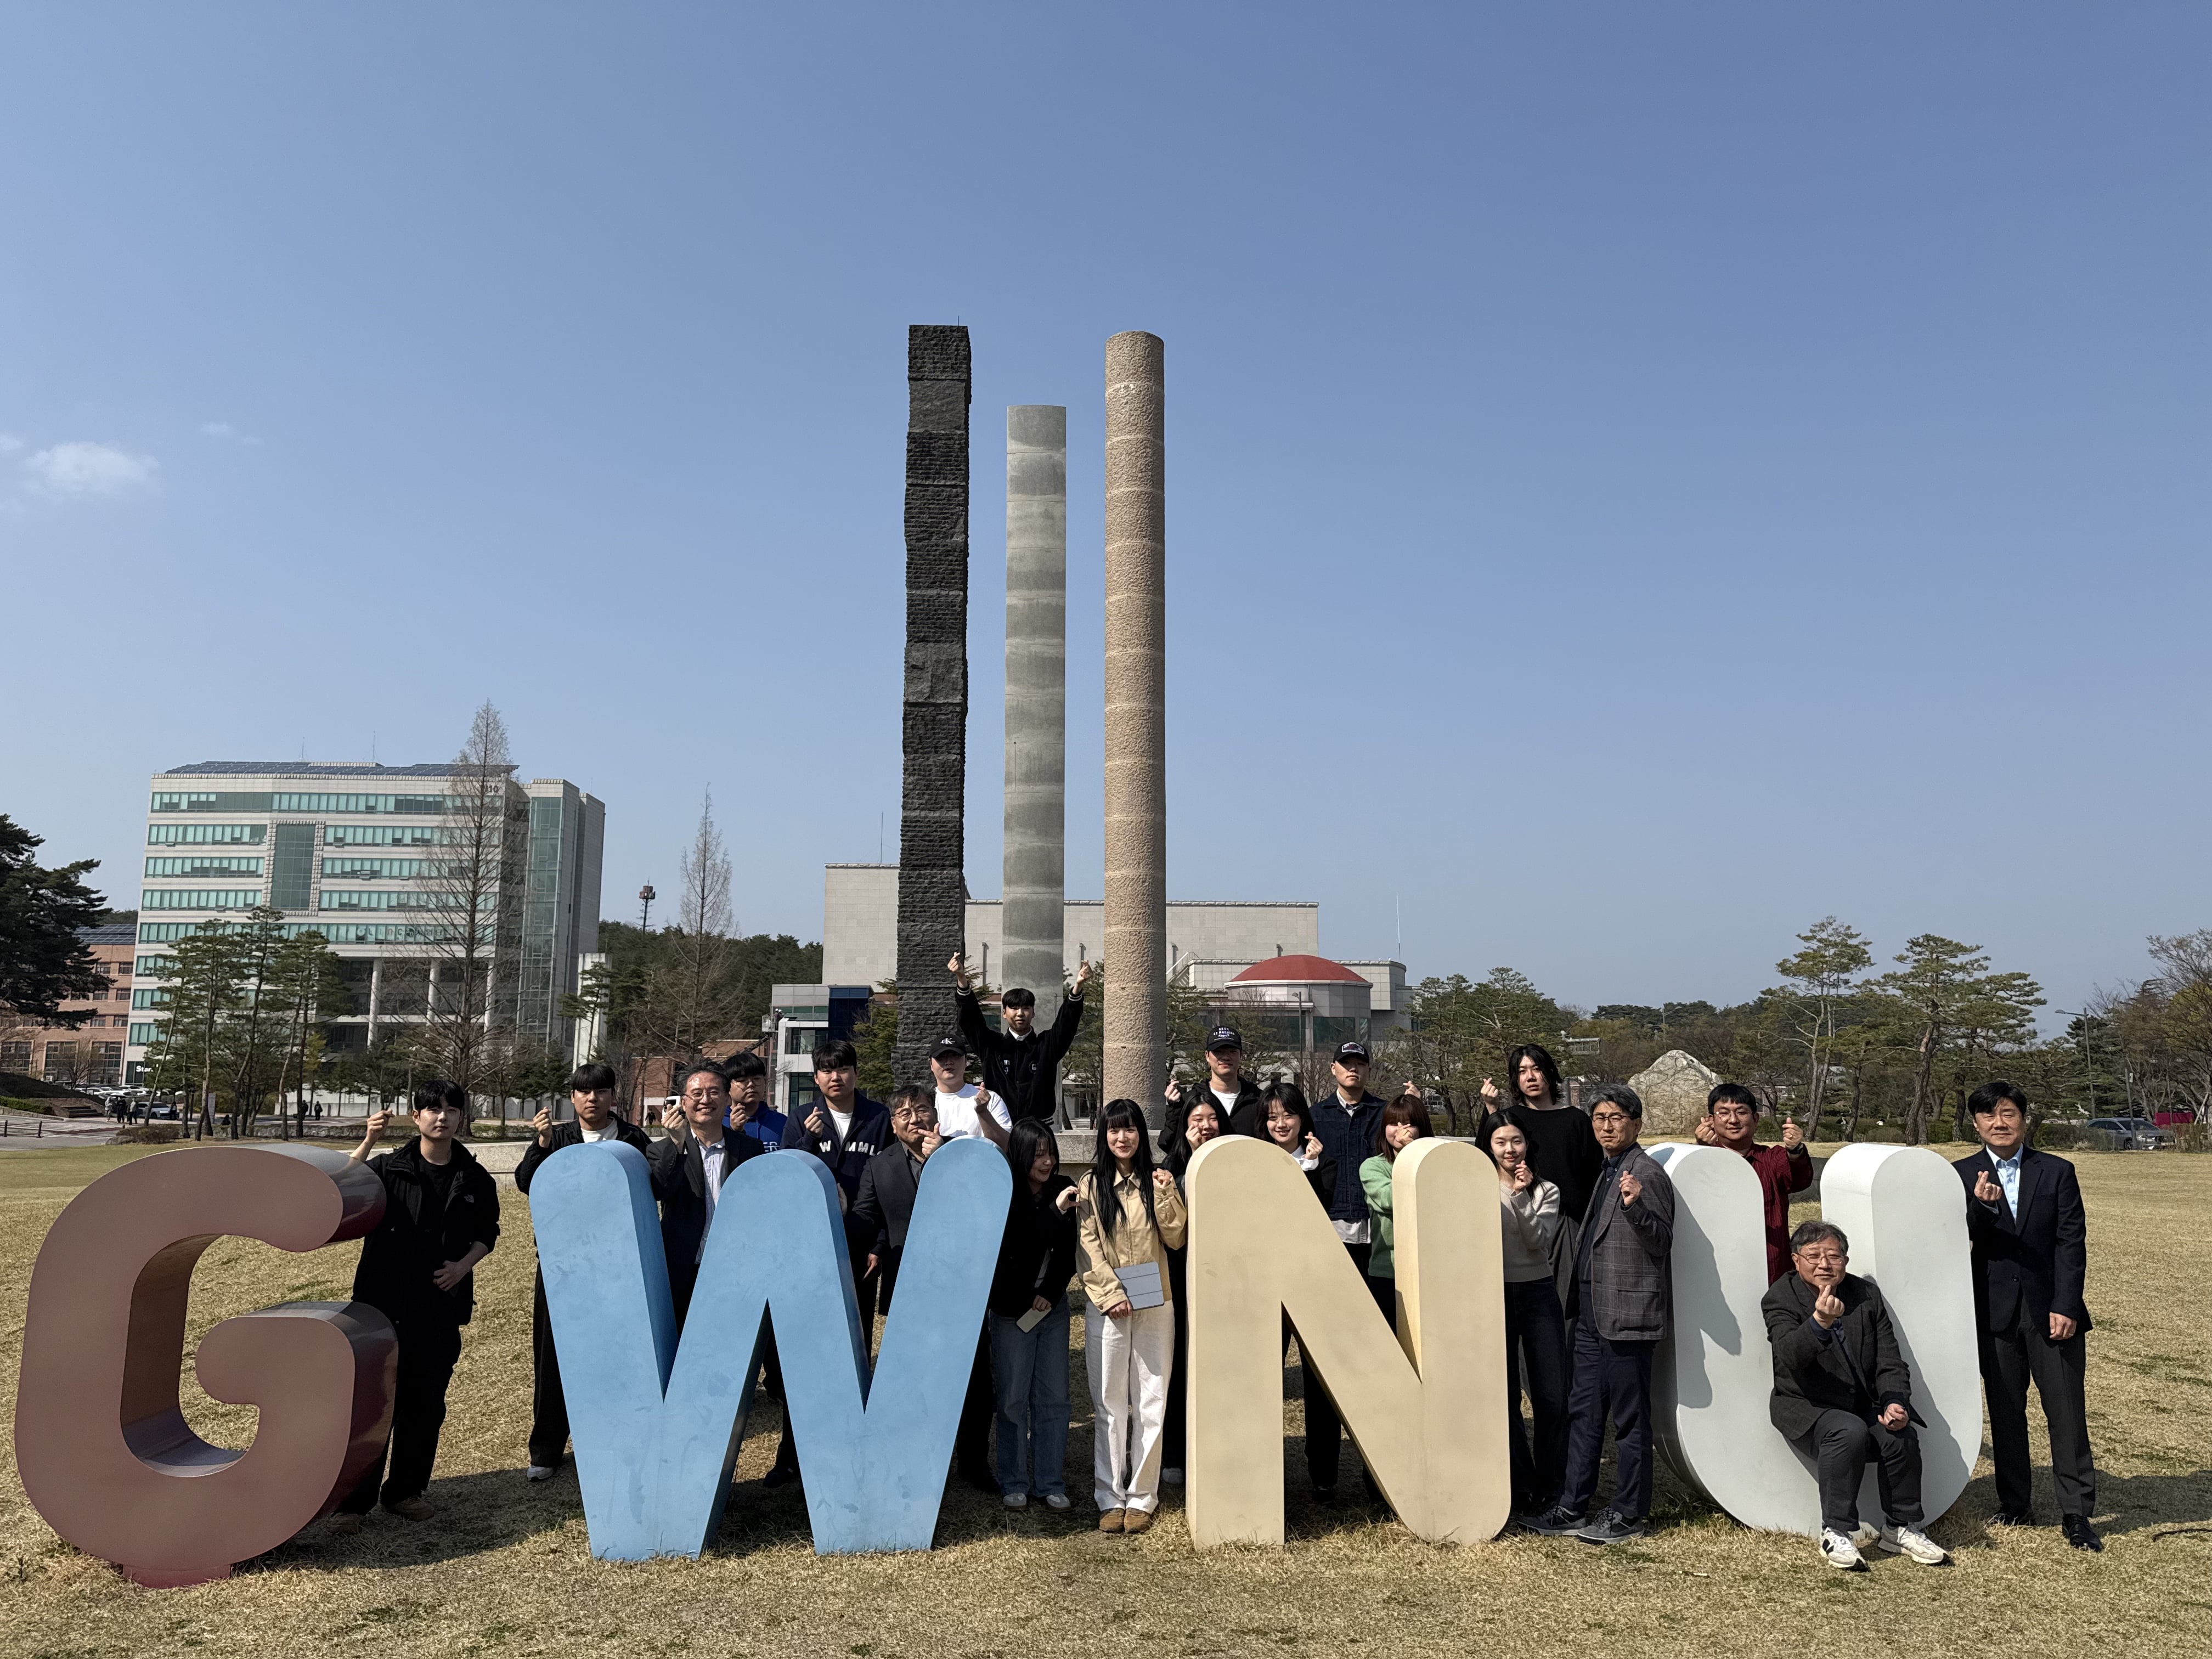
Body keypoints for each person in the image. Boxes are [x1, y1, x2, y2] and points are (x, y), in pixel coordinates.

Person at [335, 1080, 499, 1525]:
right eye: (432, 1109)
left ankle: (405, 1492)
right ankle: (353, 1503)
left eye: (451, 1110)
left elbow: (488, 1233)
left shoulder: (475, 1177)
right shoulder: (387, 1168)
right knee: (373, 1406)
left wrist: (462, 1267)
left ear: (461, 1117)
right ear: (416, 1116)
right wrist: (368, 1141)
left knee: (425, 1404)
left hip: (439, 1308)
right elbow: (341, 1187)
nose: (442, 1117)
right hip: (382, 1305)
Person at [1955, 1080, 2100, 1550]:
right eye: (1989, 1115)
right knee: (2006, 1411)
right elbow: (1957, 1239)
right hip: (1993, 1312)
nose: (1999, 1123)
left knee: (2066, 1411)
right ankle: (2016, 1503)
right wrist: (1981, 1207)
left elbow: (2070, 1242)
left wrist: (2067, 1304)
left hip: (2050, 1310)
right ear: (1975, 1123)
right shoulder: (1959, 1174)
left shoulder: (2056, 1171)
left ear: (2023, 1118)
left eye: (2009, 1114)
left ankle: (2077, 1512)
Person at [1526, 1085, 1674, 1545]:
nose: (1606, 1127)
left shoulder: (1646, 1173)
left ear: (1637, 1124)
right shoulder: (1608, 1168)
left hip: (1628, 1315)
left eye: (1616, 1118)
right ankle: (1572, 1506)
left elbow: (1661, 1242)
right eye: (1599, 1119)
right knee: (1584, 1414)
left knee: (1630, 1420)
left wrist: (1635, 1207)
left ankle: (1629, 1514)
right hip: (1591, 1311)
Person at [1763, 1219, 1950, 1570]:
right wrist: (1819, 1323)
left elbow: (1889, 1359)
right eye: (1814, 1256)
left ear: (1845, 1261)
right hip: (1807, 1405)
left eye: (1834, 1256)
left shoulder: (1865, 1295)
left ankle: (1901, 1527)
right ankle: (1836, 1531)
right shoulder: (1780, 1296)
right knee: (1847, 1430)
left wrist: (1895, 1401)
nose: (1825, 1264)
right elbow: (1789, 1356)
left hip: (1862, 1402)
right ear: (1796, 1260)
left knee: (1899, 1433)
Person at [516, 1061, 650, 1483]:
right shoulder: (558, 1138)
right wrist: (540, 1144)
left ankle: (615, 1440)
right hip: (562, 1264)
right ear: (572, 1097)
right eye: (584, 1091)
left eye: (601, 1091)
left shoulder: (633, 1139)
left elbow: (656, 1186)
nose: (593, 1099)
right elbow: (525, 1182)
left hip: (619, 1264)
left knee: (618, 1353)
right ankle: (547, 1449)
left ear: (613, 1096)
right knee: (552, 1356)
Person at [1076, 1098, 1187, 1534]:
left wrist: (1166, 1193)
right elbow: (1088, 1246)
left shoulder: (1156, 1180)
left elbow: (1176, 1238)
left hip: (1156, 1305)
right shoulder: (1091, 1185)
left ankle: (1142, 1496)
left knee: (1151, 1402)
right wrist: (1111, 1295)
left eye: (1130, 1129)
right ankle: (1110, 1496)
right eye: (1113, 1130)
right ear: (1103, 1135)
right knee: (1109, 1403)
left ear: (1142, 1133)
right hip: (1109, 1307)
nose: (1122, 1138)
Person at [987, 1118, 1079, 1510]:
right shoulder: (1002, 1190)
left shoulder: (1063, 1188)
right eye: (1039, 1154)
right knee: (1012, 1399)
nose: (1047, 1162)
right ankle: (1014, 1480)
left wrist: (1050, 1293)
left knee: (1054, 1397)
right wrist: (1054, 1213)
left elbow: (1070, 1250)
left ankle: (1049, 1482)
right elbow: (1015, 1247)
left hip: (1051, 1310)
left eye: (1051, 1154)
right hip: (1012, 1310)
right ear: (1022, 1154)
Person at [1482, 1114, 1567, 1516]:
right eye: (1500, 1142)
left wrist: (1519, 1196)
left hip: (1537, 1292)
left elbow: (1538, 1242)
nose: (1510, 1150)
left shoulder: (1547, 1190)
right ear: (1489, 1146)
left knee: (1552, 1395)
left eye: (1516, 1141)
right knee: (1505, 1396)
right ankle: (1519, 1483)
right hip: (1492, 1293)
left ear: (1527, 1144)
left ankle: (1552, 1484)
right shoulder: (1477, 1186)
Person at [781, 1039, 892, 1336]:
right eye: (827, 1071)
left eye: (843, 1069)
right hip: (814, 1236)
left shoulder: (880, 1118)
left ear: (856, 1073)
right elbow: (787, 1176)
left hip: (864, 1237)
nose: (836, 1077)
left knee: (859, 1325)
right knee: (815, 1323)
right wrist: (809, 1140)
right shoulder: (801, 1117)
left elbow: (891, 1187)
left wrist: (880, 1244)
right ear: (816, 1078)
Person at [1481, 1045, 1604, 1310]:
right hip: (1515, 1215)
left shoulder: (1576, 1120)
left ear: (1550, 1072)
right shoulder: (1512, 1119)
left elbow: (1594, 1176)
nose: (1530, 1077)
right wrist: (1491, 1109)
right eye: (1522, 1071)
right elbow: (1486, 1159)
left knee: (1563, 1305)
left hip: (1565, 1222)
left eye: (1536, 1069)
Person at [650, 1062, 765, 1325]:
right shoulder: (662, 1150)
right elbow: (662, 1189)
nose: (706, 1100)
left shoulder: (751, 1150)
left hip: (736, 1271)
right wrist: (677, 1143)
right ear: (683, 1102)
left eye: (714, 1092)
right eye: (697, 1094)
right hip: (683, 1272)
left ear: (727, 1099)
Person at [1156, 1092, 1225, 1485]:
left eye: (1212, 1118)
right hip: (1182, 1279)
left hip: (1224, 1279)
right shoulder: (1171, 1167)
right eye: (1197, 1119)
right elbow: (1174, 1228)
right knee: (1180, 1364)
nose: (1205, 1126)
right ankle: (1175, 1454)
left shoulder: (1236, 1162)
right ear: (1184, 1126)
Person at [950, 951, 1092, 1122]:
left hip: (1038, 1128)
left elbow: (1066, 1024)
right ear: (1004, 1013)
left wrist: (1078, 986)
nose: (1020, 1013)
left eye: (1026, 1008)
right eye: (1014, 1008)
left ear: (1033, 1013)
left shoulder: (1046, 1045)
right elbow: (971, 1020)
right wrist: (961, 978)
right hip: (999, 1125)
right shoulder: (991, 1046)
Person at [1695, 1082, 1813, 1283]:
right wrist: (1702, 1151)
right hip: (1717, 1267)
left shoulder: (1772, 1159)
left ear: (1756, 1119)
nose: (1733, 1120)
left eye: (1741, 1112)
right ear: (1710, 1120)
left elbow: (1800, 1180)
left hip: (1771, 1266)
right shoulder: (1700, 1159)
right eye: (1723, 1113)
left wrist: (1795, 1150)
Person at [1359, 1096, 1434, 1322]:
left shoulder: (1436, 1166)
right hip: (1387, 1271)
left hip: (1430, 1269)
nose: (1401, 1130)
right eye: (1393, 1123)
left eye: (1409, 1124)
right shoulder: (1372, 1167)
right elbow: (1391, 1199)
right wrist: (1411, 1154)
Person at [1166, 1026, 1268, 1139]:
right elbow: (1168, 1142)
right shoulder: (1190, 1100)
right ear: (1207, 1056)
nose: (1226, 1057)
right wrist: (1174, 1109)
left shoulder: (1260, 1099)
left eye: (1232, 1052)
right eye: (1218, 1052)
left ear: (1241, 1056)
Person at [926, 1036, 1012, 1148]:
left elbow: (1005, 1146)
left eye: (955, 1056)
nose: (949, 1062)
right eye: (941, 1057)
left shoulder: (990, 1099)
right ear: (931, 1064)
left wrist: (983, 1112)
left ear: (966, 1061)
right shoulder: (925, 1102)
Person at [725, 1050, 787, 1148]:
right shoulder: (717, 1124)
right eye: (742, 1080)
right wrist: (734, 1131)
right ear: (727, 1086)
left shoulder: (782, 1122)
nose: (751, 1084)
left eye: (757, 1079)